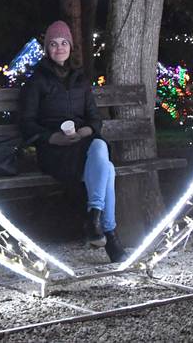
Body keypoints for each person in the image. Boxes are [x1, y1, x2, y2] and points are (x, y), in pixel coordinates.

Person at [18, 20, 127, 263]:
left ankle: (95, 218)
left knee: (100, 147)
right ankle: (107, 232)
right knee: (106, 168)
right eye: (54, 44)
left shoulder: (80, 80)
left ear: (70, 47)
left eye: (64, 43)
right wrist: (53, 137)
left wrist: (84, 132)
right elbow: (26, 124)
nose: (59, 48)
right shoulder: (37, 81)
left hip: (82, 146)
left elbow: (95, 120)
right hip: (54, 152)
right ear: (47, 48)